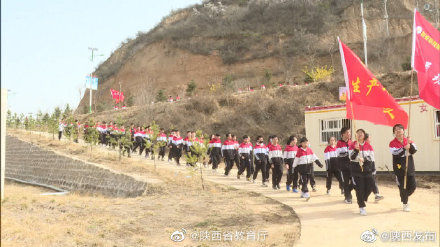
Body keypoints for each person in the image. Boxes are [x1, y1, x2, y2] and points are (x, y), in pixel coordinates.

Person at [389, 124, 417, 212]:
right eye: (396, 130)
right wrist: (404, 148)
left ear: (403, 131)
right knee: (403, 186)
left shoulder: (408, 140)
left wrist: (410, 145)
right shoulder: (392, 143)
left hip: (409, 165)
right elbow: (396, 153)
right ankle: (405, 203)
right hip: (399, 167)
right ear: (394, 132)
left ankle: (404, 195)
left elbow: (414, 150)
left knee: (413, 186)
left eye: (400, 129)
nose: (398, 131)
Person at [349, 129, 376, 216]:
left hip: (367, 169)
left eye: (362, 133)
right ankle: (362, 206)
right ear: (356, 135)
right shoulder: (352, 145)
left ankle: (362, 198)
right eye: (358, 133)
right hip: (356, 169)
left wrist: (364, 159)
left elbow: (371, 157)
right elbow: (351, 157)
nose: (360, 134)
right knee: (359, 188)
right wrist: (356, 150)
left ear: (364, 135)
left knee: (371, 185)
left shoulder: (368, 145)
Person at [337, 126, 354, 204]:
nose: (349, 134)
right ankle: (347, 197)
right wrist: (347, 153)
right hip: (343, 165)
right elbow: (338, 153)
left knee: (355, 180)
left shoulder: (352, 142)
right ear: (343, 134)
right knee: (346, 182)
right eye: (347, 132)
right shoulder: (339, 143)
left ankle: (347, 191)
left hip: (352, 165)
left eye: (350, 132)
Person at [365, 133, 384, 202]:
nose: (370, 140)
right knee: (371, 181)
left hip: (371, 165)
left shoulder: (370, 146)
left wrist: (373, 167)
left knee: (371, 182)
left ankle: (366, 197)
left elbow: (372, 158)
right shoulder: (363, 147)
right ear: (366, 139)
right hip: (366, 167)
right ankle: (376, 194)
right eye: (369, 138)